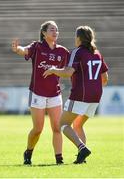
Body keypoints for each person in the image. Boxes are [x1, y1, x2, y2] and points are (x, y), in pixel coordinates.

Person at [43, 25, 108, 164]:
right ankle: (81, 158)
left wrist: (54, 70)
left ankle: (82, 148)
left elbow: (67, 72)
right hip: (96, 96)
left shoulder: (78, 52)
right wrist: (93, 88)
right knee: (78, 125)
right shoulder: (97, 53)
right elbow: (105, 78)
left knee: (62, 124)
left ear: (79, 38)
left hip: (80, 95)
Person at [11, 21, 69, 165]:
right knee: (38, 129)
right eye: (51, 30)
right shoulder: (37, 46)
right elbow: (24, 50)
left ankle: (59, 159)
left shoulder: (62, 51)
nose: (55, 32)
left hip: (55, 94)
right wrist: (17, 48)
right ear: (44, 33)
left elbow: (70, 68)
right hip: (37, 93)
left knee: (57, 128)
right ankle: (28, 152)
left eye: (56, 30)